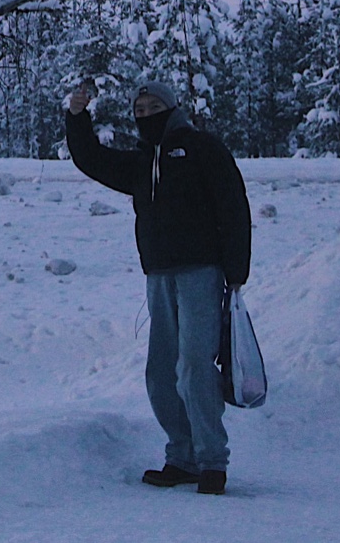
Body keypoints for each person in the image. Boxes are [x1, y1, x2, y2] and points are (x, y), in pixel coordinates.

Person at [66, 78, 251, 496]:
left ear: (171, 108)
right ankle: (181, 457)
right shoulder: (141, 160)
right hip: (158, 275)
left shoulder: (203, 148)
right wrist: (77, 118)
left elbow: (233, 205)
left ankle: (211, 462)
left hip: (201, 272)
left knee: (194, 367)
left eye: (153, 107)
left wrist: (236, 271)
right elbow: (92, 159)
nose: (145, 115)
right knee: (161, 372)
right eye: (140, 110)